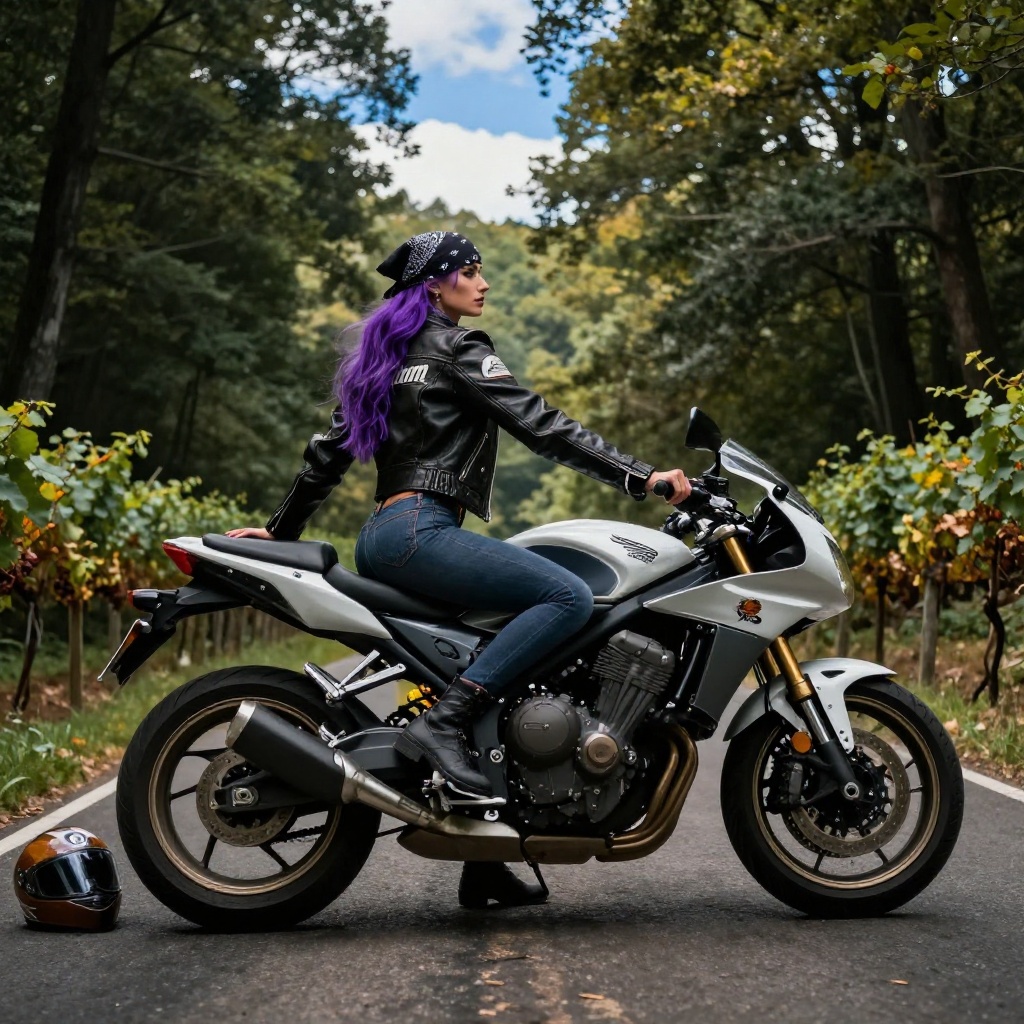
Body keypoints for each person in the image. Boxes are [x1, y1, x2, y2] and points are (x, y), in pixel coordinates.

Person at [229, 230, 690, 906]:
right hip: (423, 531)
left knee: (507, 658)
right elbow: (540, 423)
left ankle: (484, 859)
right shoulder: (457, 348)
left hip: (389, 532)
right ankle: (442, 723)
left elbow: (324, 454)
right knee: (565, 598)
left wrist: (279, 530)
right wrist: (641, 476)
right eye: (470, 271)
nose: (482, 282)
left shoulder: (387, 359)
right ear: (436, 285)